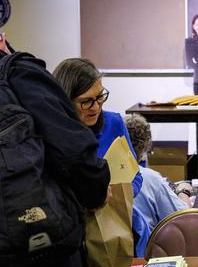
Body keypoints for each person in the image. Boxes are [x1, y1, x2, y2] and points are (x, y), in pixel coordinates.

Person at [0, 17, 110, 266]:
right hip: (50, 245)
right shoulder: (19, 72)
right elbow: (71, 149)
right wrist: (96, 191)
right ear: (1, 40)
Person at [52, 58, 149, 258]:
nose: (96, 107)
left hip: (117, 225)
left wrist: (115, 194)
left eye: (100, 97)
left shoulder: (113, 123)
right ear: (65, 100)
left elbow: (136, 176)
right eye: (86, 101)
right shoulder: (53, 134)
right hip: (72, 235)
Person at [124, 114, 191, 233]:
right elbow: (185, 219)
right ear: (146, 144)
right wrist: (183, 192)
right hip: (145, 249)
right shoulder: (150, 178)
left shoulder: (103, 173)